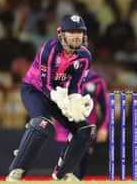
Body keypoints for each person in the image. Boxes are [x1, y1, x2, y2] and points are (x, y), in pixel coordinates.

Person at [6, 14, 94, 181]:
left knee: (85, 130)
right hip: (34, 90)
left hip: (59, 94)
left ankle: (63, 173)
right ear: (60, 32)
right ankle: (17, 169)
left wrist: (74, 101)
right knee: (42, 124)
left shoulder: (85, 57)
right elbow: (46, 84)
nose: (76, 36)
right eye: (72, 32)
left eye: (80, 32)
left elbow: (75, 86)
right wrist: (61, 100)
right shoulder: (49, 49)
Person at [54, 69, 109, 180]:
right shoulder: (60, 78)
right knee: (71, 171)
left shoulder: (96, 80)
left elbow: (105, 106)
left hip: (86, 130)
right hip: (64, 131)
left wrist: (104, 127)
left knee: (82, 169)